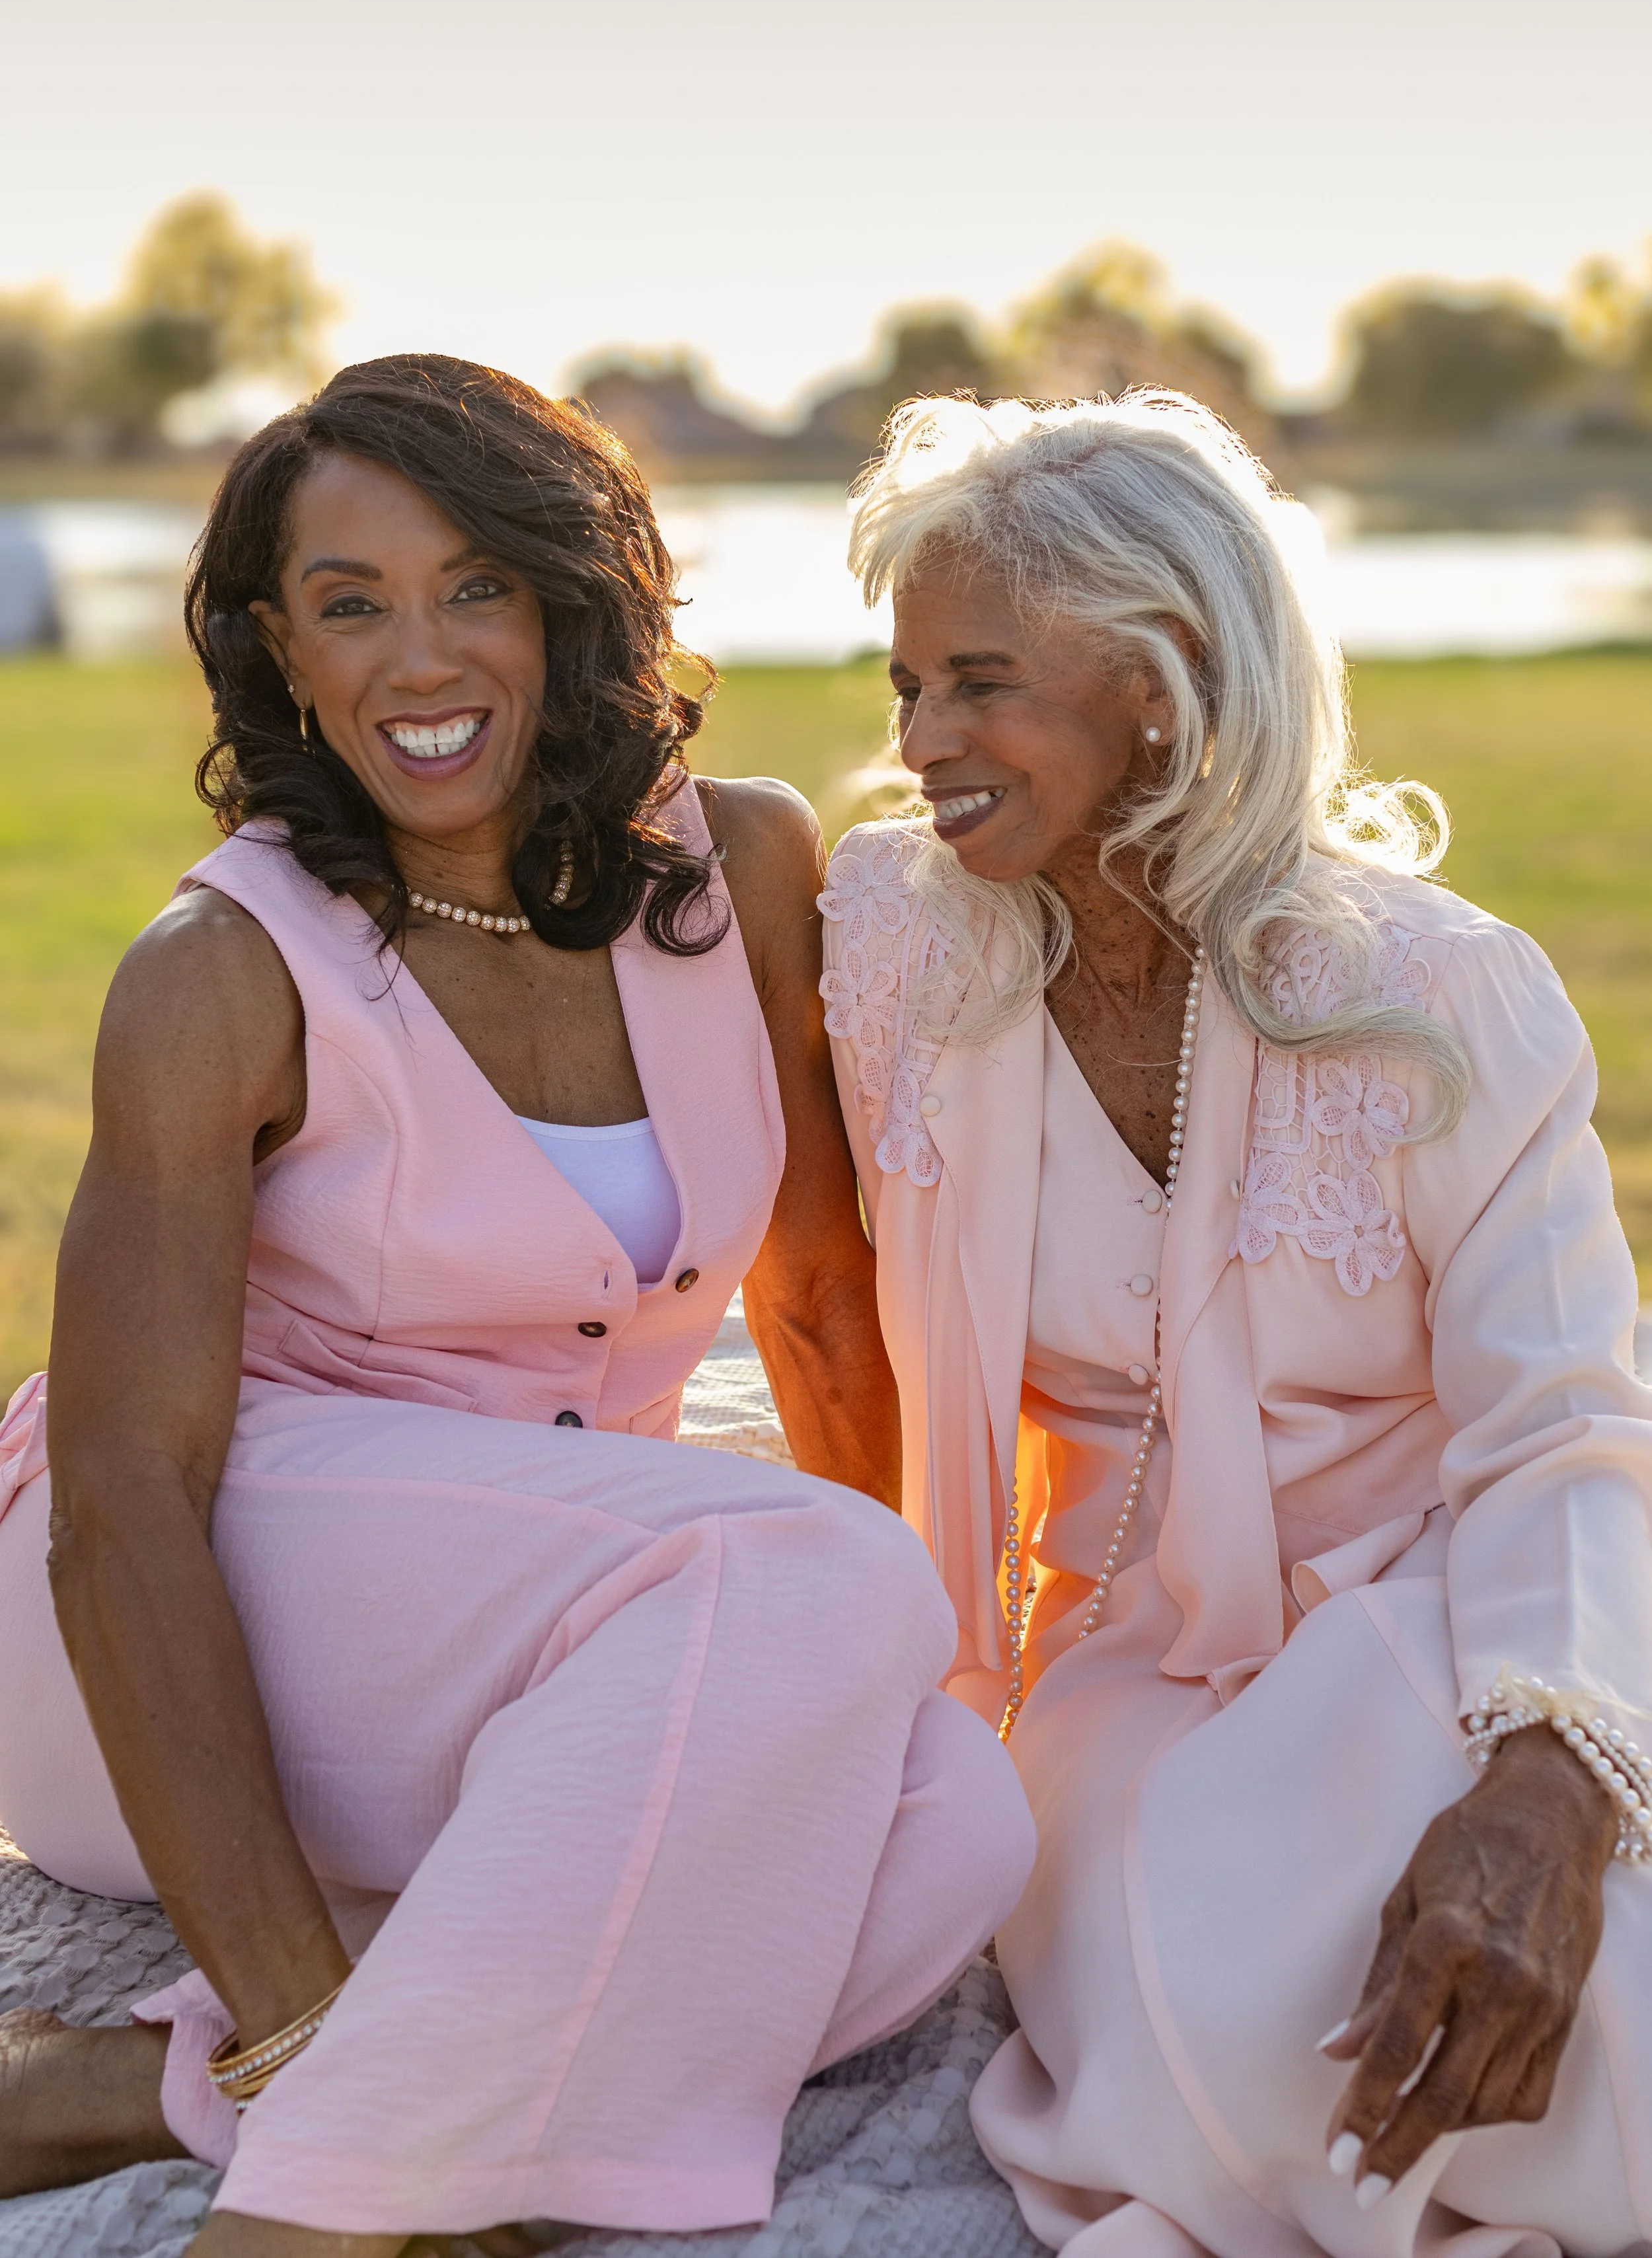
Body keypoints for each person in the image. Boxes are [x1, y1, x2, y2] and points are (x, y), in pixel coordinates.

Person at [0, 356, 1034, 2258]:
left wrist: (864, 1681)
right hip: (201, 1600)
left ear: (576, 601)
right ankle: (316, 2200)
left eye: (476, 583)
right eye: (351, 602)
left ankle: (98, 2084)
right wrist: (297, 2028)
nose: (421, 655)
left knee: (948, 1816)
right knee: (818, 1580)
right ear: (276, 650)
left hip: (555, 1625)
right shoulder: (221, 970)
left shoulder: (744, 869)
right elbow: (119, 1498)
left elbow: (812, 1301)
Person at [819, 387, 1652, 2258]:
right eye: (904, 688)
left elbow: (1566, 1425)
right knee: (1252, 2025)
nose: (920, 744)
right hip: (1120, 1655)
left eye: (977, 683)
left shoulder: (1443, 999)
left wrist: (1549, 1781)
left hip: (1463, 1606)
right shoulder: (889, 939)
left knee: (1577, 1989)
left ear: (1162, 678)